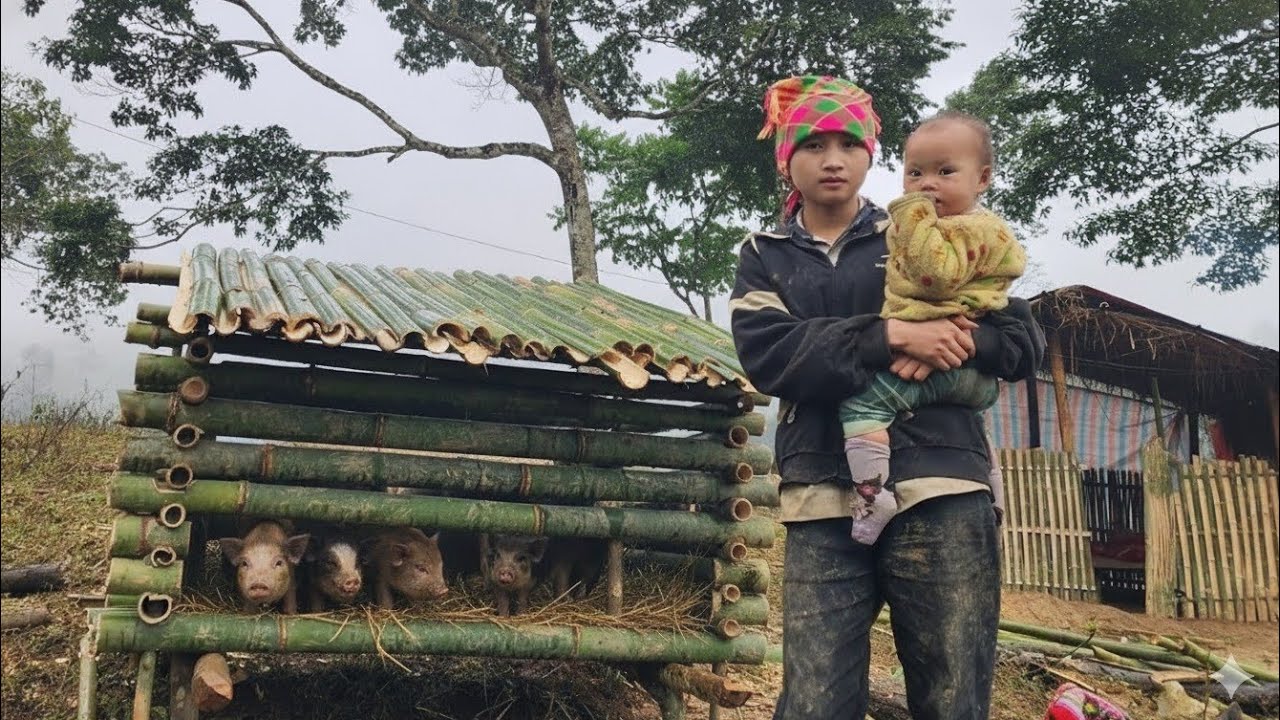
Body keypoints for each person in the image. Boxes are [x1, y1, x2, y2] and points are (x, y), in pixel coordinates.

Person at [730, 75, 1045, 719]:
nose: (833, 158)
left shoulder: (926, 228)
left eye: (849, 142)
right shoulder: (764, 256)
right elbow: (770, 356)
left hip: (941, 485)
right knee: (815, 700)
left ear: (872, 155)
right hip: (820, 497)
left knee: (952, 692)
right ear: (786, 157)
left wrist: (957, 341)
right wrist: (890, 334)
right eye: (814, 144)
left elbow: (1020, 340)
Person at [841, 110, 1026, 545]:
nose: (927, 184)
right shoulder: (969, 230)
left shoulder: (967, 230)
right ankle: (994, 491)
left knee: (861, 407)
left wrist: (909, 215)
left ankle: (871, 495)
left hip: (953, 368)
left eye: (945, 172)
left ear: (982, 179)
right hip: (974, 382)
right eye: (915, 173)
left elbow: (935, 275)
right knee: (977, 419)